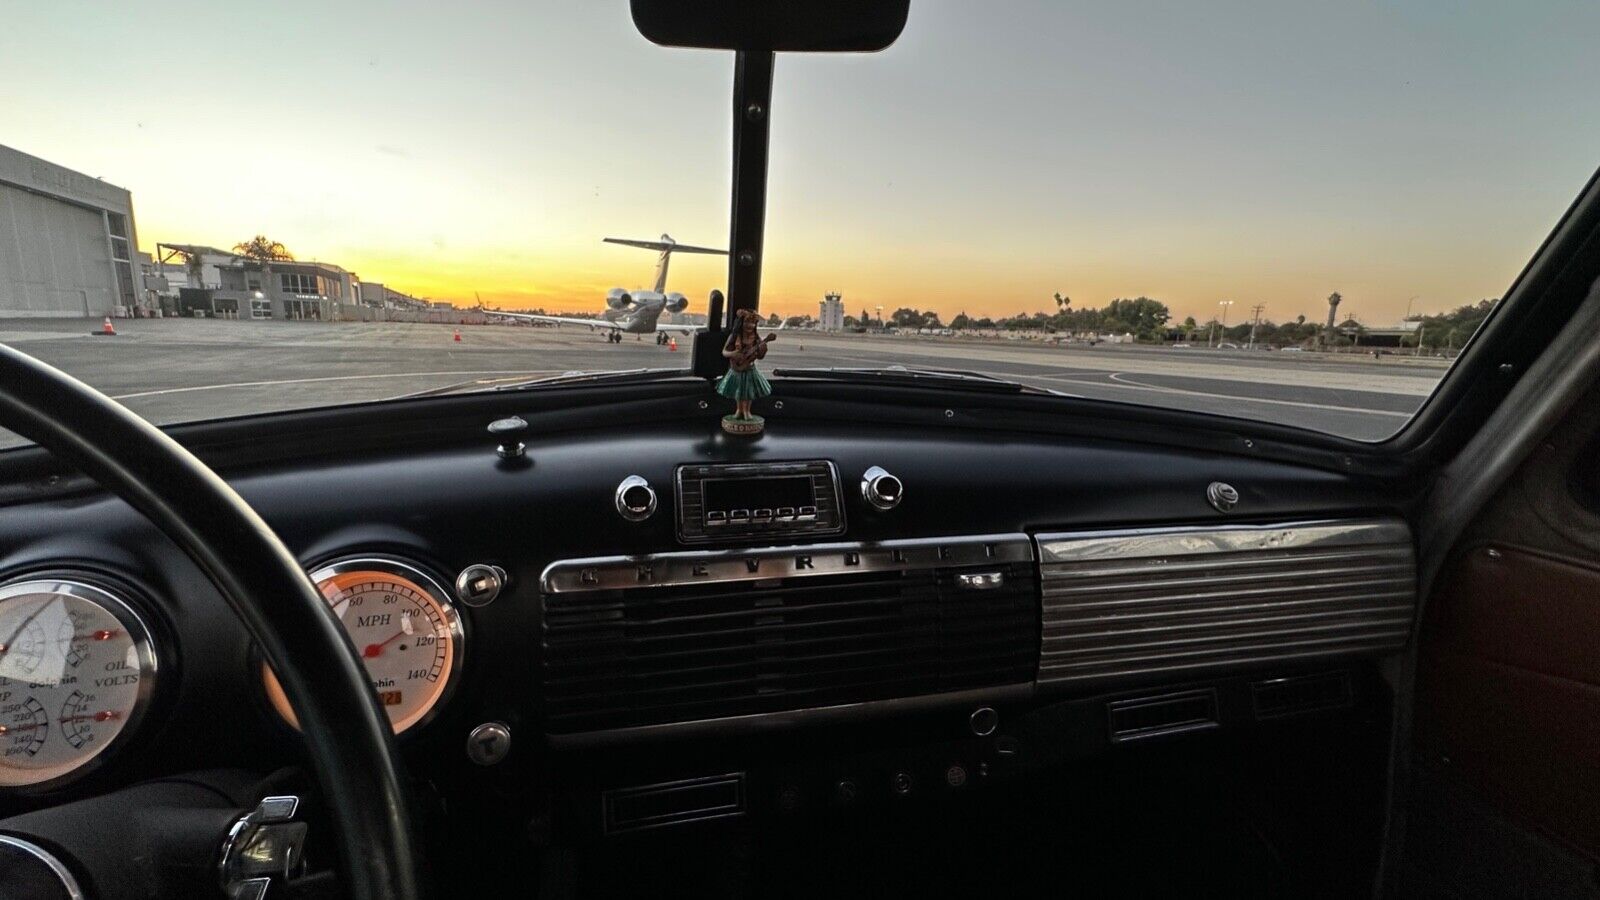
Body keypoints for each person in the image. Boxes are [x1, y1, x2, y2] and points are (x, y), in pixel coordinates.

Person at [717, 309, 773, 421]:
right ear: (740, 323)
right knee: (738, 391)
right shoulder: (734, 337)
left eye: (753, 323)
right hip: (736, 369)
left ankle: (747, 411)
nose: (750, 325)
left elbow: (760, 356)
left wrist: (763, 351)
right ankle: (739, 410)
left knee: (748, 392)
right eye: (747, 322)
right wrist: (733, 353)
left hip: (749, 369)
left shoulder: (756, 339)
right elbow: (724, 352)